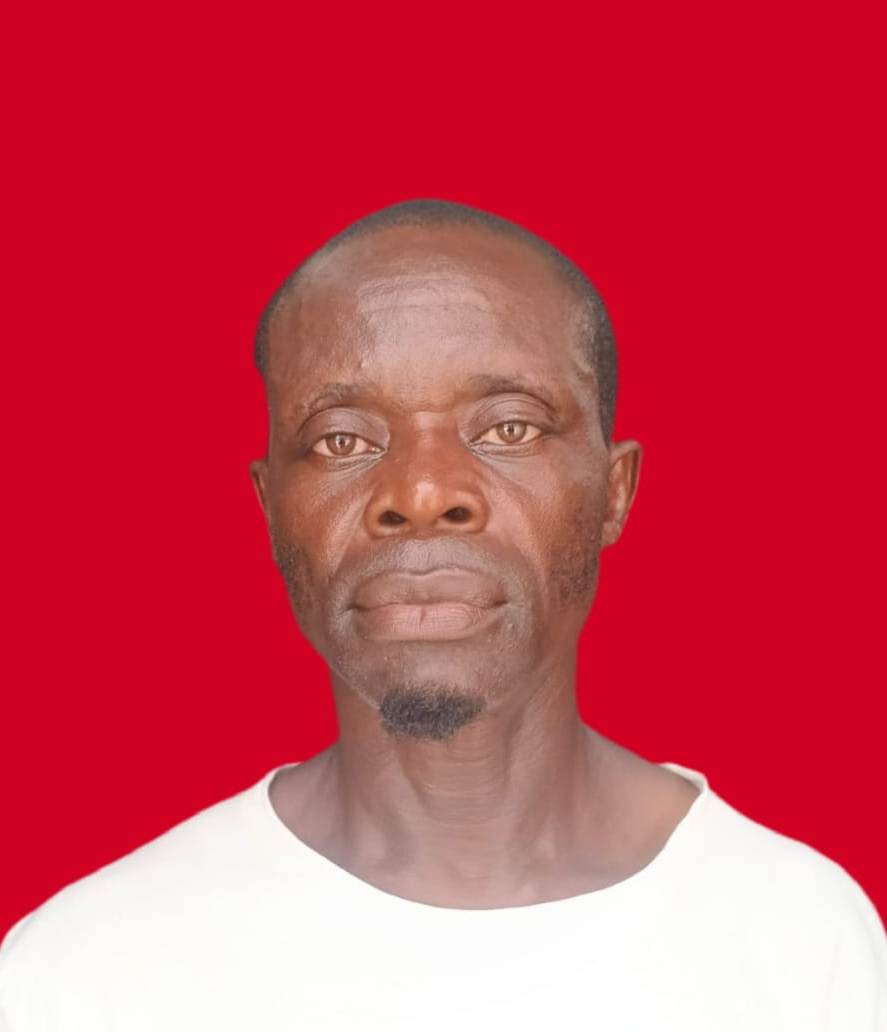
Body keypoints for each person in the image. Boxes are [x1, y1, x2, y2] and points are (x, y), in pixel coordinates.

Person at [1, 199, 884, 1030]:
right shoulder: (85, 972)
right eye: (342, 439)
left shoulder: (802, 939)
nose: (422, 493)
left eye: (509, 428)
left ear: (613, 493)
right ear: (271, 509)